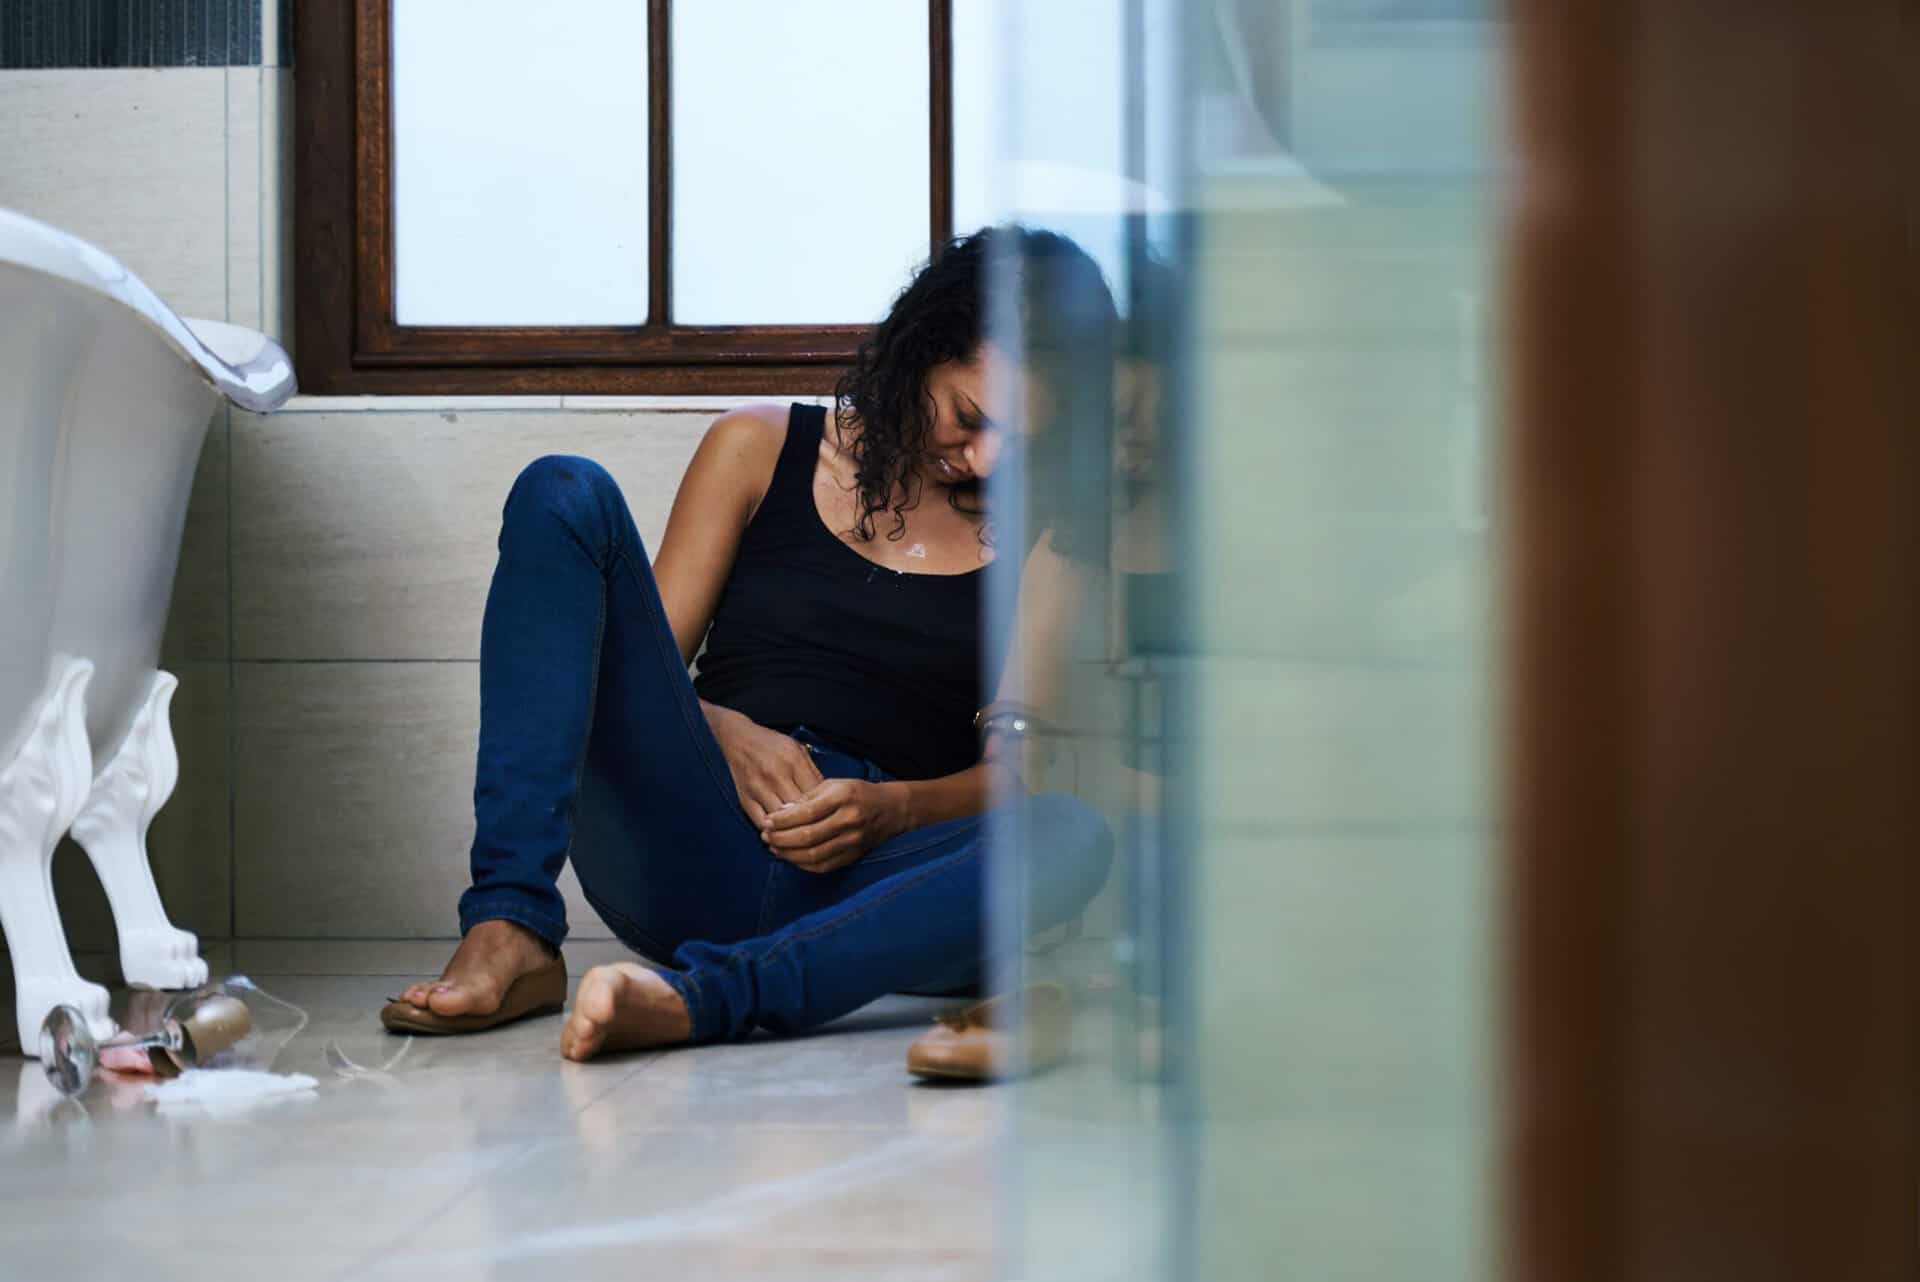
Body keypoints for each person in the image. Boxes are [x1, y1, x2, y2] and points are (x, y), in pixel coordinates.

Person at [380, 228, 1118, 1073]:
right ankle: (509, 927)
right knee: (562, 489)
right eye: (971, 418)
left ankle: (706, 1000)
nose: (984, 458)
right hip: (692, 838)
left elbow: (1015, 779)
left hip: (883, 881)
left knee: (1071, 833)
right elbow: (624, 675)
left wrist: (894, 809)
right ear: (923, 351)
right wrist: (726, 735)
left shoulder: (1045, 535)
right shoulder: (758, 445)